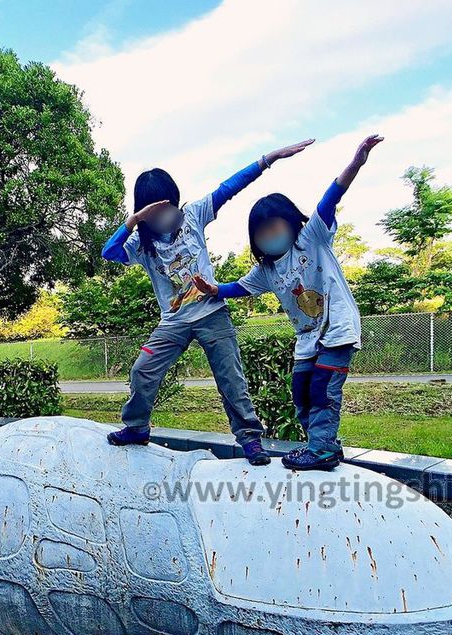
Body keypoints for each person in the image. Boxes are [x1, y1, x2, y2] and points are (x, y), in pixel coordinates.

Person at [102, 139, 315, 465]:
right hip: (172, 322)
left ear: (174, 202)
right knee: (142, 371)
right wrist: (134, 221)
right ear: (145, 213)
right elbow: (109, 253)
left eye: (167, 206)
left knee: (231, 379)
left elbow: (229, 187)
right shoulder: (140, 244)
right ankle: (136, 428)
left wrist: (268, 159)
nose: (164, 215)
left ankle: (250, 440)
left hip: (211, 313)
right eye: (154, 211)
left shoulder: (193, 215)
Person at [193, 134, 384, 471]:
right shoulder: (266, 270)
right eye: (261, 234)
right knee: (301, 393)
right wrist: (212, 290)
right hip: (308, 338)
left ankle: (322, 449)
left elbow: (330, 198)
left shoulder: (312, 237)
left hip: (336, 327)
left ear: (292, 223)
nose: (270, 237)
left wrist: (355, 163)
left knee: (323, 389)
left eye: (275, 228)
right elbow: (238, 288)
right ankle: (324, 446)